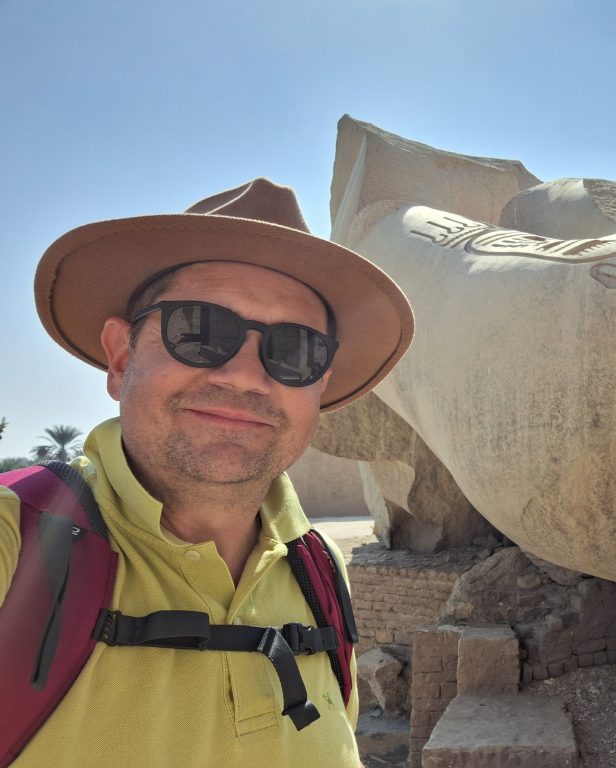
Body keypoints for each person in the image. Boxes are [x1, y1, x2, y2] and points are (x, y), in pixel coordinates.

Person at [0, 178, 414, 767]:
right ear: (122, 357)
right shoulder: (16, 540)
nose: (247, 376)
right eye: (198, 331)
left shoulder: (320, 571)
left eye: (294, 350)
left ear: (318, 386)